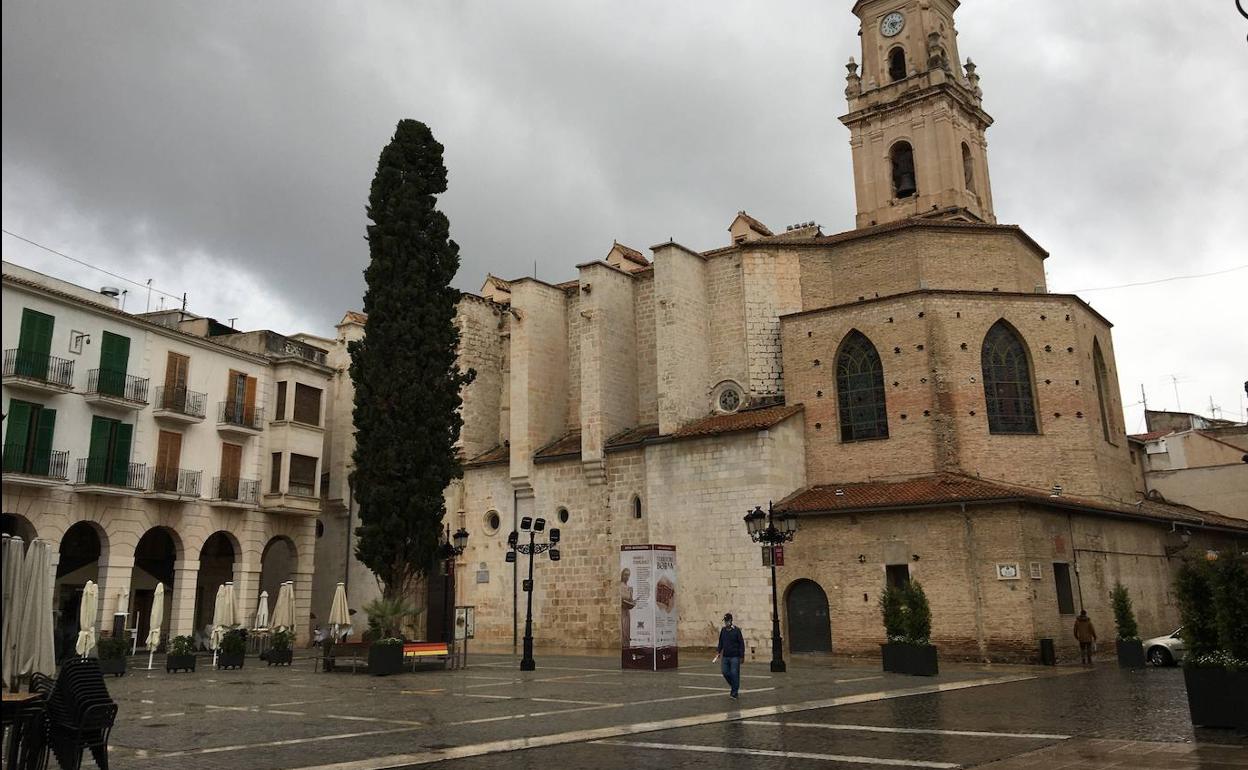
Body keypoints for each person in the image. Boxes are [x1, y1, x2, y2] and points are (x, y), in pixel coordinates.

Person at [714, 612, 745, 699]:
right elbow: (721, 642)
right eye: (725, 621)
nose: (726, 622)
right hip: (726, 656)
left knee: (734, 673)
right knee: (725, 672)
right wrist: (718, 651)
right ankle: (735, 686)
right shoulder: (723, 630)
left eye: (727, 620)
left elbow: (741, 644)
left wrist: (742, 656)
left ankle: (734, 692)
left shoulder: (736, 630)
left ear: (731, 620)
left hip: (735, 656)